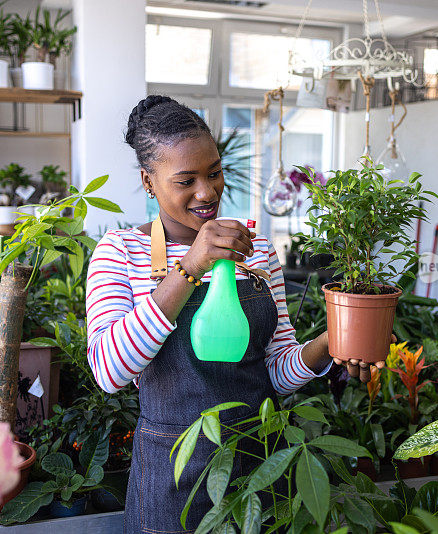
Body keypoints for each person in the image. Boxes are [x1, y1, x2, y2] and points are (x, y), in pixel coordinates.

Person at [86, 95, 382, 532]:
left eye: (214, 172)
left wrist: (329, 345)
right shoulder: (121, 252)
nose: (207, 192)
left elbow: (276, 371)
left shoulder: (256, 248)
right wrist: (189, 267)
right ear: (149, 182)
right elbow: (108, 371)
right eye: (185, 180)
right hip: (174, 471)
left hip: (262, 461)